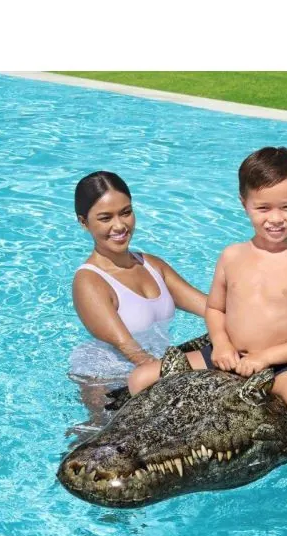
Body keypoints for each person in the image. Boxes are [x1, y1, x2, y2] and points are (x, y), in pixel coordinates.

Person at [128, 147, 287, 521]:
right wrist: (222, 344)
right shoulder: (232, 256)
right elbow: (215, 309)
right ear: (244, 204)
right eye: (263, 208)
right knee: (141, 377)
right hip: (225, 354)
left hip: (282, 365)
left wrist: (266, 358)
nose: (276, 218)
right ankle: (139, 445)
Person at [69, 171, 207, 426]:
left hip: (151, 369)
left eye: (126, 212)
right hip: (106, 379)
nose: (119, 226)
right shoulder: (89, 281)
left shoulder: (152, 265)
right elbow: (130, 349)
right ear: (84, 222)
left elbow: (211, 307)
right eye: (105, 218)